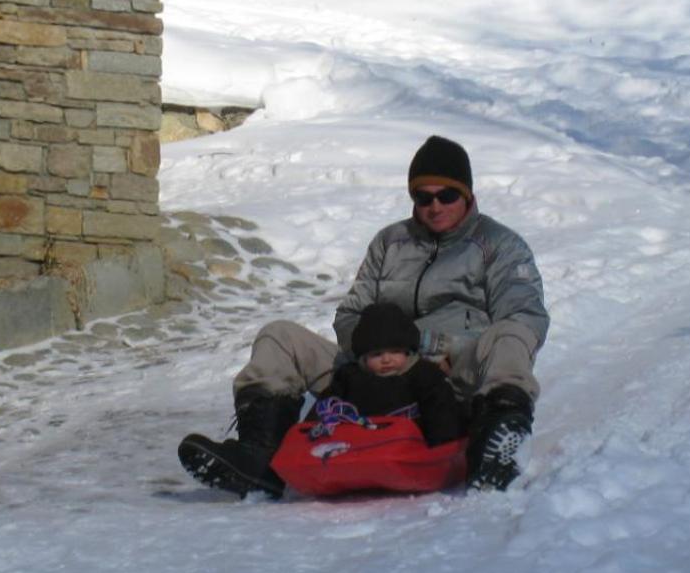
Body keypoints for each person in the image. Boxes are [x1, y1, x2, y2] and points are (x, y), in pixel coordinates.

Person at [178, 134, 548, 497]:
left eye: (446, 195)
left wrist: (436, 347)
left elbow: (526, 317)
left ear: (467, 194)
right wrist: (375, 351)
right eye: (423, 197)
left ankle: (497, 449)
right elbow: (350, 313)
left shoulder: (499, 246)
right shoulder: (390, 243)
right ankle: (260, 457)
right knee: (279, 336)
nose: (435, 206)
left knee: (511, 335)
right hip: (371, 373)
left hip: (453, 376)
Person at [314, 302, 466, 446]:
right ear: (364, 357)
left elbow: (441, 411)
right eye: (377, 354)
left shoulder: (424, 374)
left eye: (395, 352)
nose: (386, 360)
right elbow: (325, 406)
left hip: (414, 446)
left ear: (407, 351)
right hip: (356, 447)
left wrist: (442, 444)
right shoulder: (350, 376)